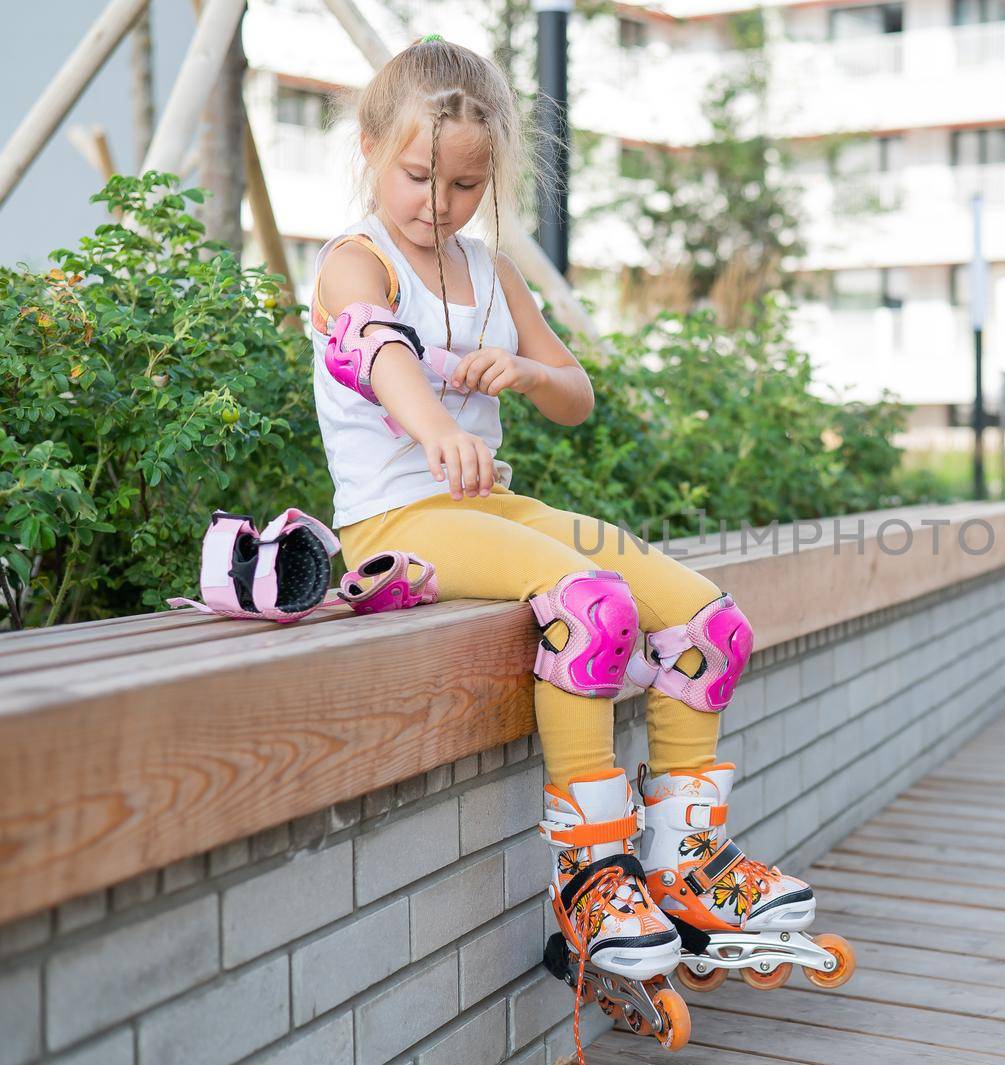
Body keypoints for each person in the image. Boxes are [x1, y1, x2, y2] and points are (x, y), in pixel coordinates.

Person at [307, 35, 834, 1053]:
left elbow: (576, 397)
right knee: (592, 608)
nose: (438, 202)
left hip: (491, 509)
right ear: (373, 149)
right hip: (397, 521)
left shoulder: (485, 268)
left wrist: (519, 371)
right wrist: (438, 431)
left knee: (707, 620)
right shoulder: (354, 258)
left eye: (464, 184)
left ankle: (684, 865)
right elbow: (377, 353)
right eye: (418, 175)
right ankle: (592, 877)